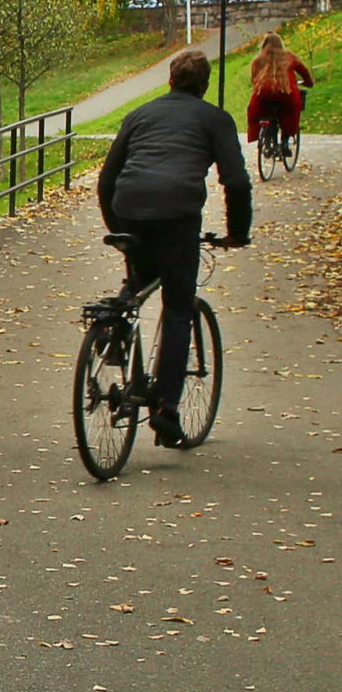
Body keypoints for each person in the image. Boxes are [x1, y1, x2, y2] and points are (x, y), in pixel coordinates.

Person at [98, 50, 251, 447]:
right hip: (178, 216)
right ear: (203, 86)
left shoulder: (140, 115)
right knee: (180, 306)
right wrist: (237, 233)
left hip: (129, 208)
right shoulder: (215, 119)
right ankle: (166, 409)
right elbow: (235, 181)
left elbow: (108, 178)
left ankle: (112, 324)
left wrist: (120, 232)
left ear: (169, 80)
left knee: (142, 274)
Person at [245, 32, 314, 154]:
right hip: (285, 93)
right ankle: (285, 143)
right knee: (290, 112)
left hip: (264, 94)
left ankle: (266, 141)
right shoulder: (289, 56)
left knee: (260, 111)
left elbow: (254, 79)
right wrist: (308, 83)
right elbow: (303, 70)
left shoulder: (258, 59)